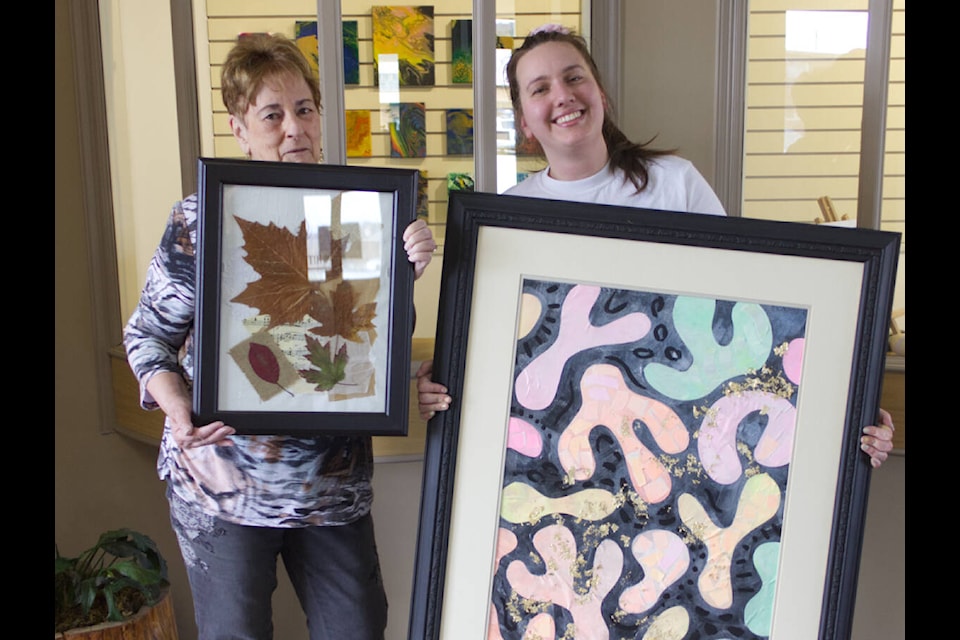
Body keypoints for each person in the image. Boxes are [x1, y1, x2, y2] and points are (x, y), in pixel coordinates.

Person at [415, 24, 895, 467]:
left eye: (574, 78)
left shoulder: (674, 184)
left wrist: (848, 401)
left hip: (681, 426)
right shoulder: (507, 220)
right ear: (524, 121)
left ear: (599, 93)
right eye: (540, 88)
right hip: (564, 442)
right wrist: (447, 378)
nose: (562, 96)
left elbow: (750, 309)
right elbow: (501, 347)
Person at [124, 33, 437, 640]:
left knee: (357, 629)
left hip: (331, 485)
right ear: (240, 128)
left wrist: (406, 275)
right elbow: (148, 338)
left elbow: (363, 354)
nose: (293, 127)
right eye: (272, 114)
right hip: (222, 484)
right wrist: (178, 408)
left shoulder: (356, 217)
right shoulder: (201, 222)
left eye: (304, 109)